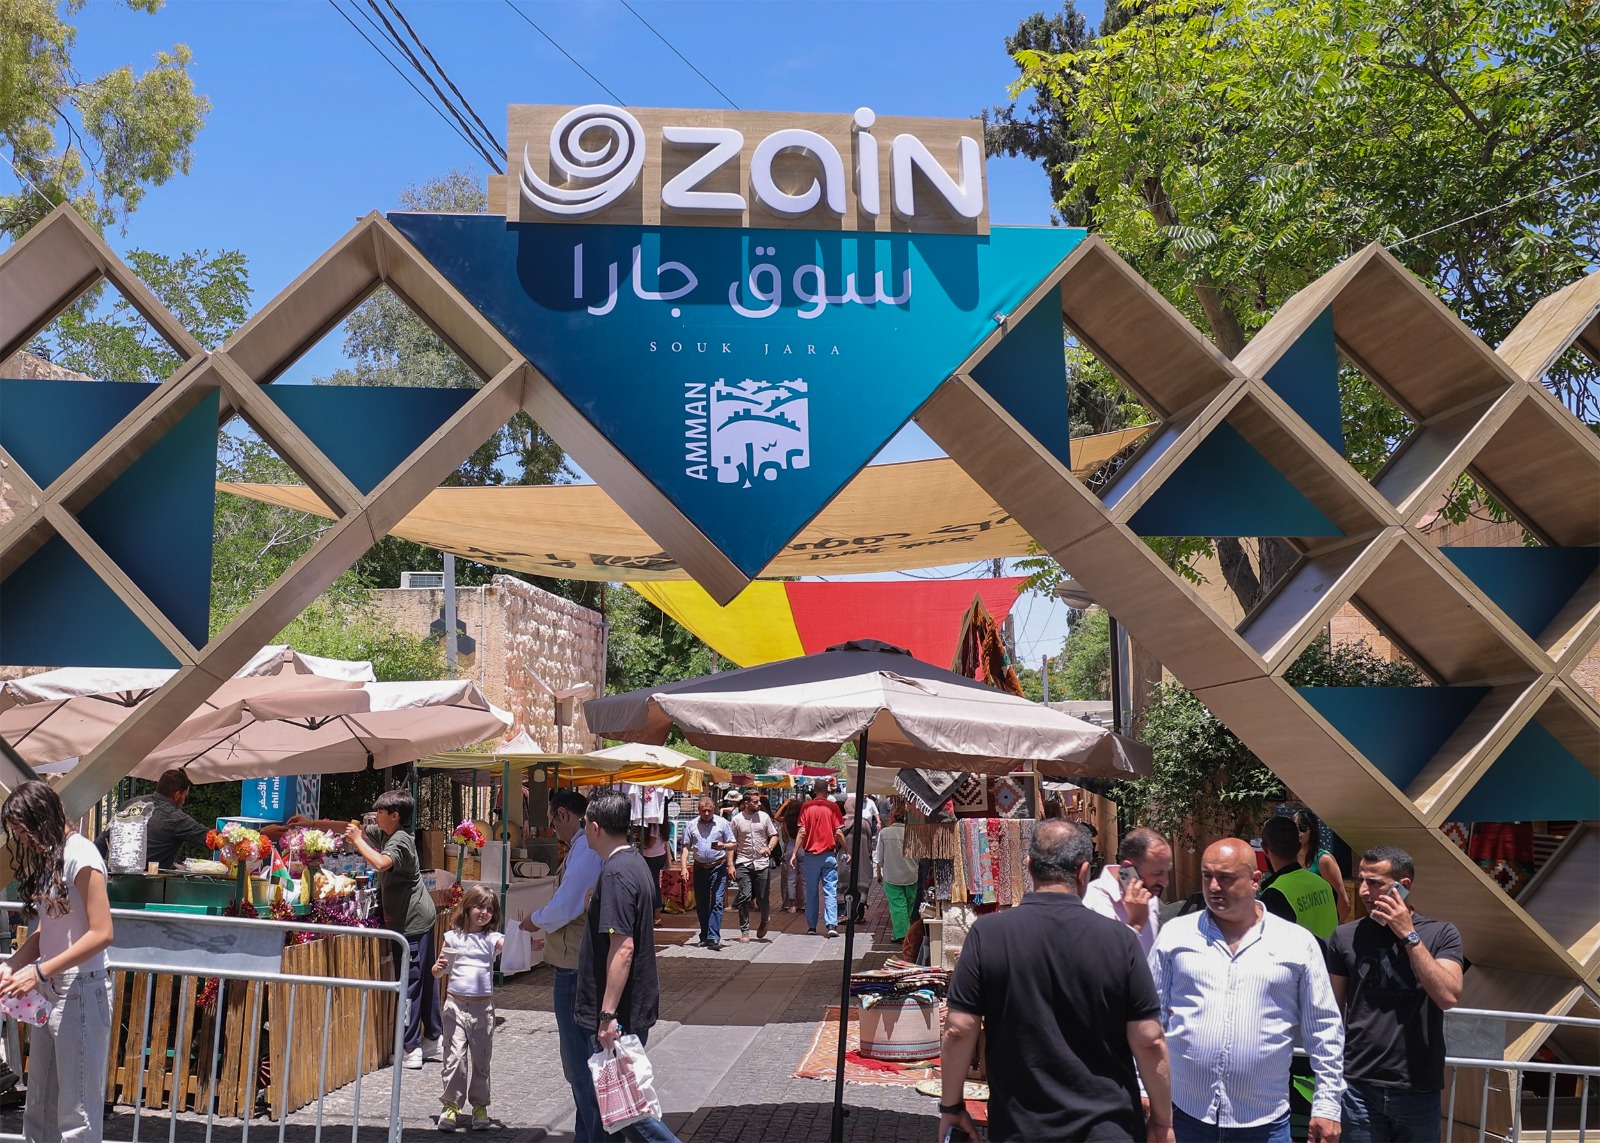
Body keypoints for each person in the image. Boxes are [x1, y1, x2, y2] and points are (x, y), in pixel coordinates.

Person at [940, 819, 1173, 1142]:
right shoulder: (1121, 940)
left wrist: (951, 1106)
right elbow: (1149, 1039)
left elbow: (958, 1030)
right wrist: (1162, 1120)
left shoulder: (988, 934)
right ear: (1083, 871)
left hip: (1020, 1128)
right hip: (1107, 1128)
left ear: (1028, 866)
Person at [1149, 838, 1344, 1143]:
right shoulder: (1176, 935)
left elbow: (1324, 1027)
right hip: (1187, 1117)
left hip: (1264, 1123)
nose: (1214, 886)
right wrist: (1143, 1087)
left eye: (1226, 877)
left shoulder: (1296, 943)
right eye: (1207, 876)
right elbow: (1149, 1019)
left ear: (1255, 880)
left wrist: (1328, 1104)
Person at [0, 780, 116, 1142]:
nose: (23, 840)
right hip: (54, 987)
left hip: (80, 987)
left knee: (76, 1111)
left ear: (41, 817)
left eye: (24, 830)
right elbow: (47, 929)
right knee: (40, 1105)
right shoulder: (54, 856)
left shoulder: (81, 855)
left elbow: (102, 933)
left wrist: (36, 972)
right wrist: (13, 964)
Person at [1326, 845, 1464, 1143]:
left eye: (1374, 882)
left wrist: (1408, 936)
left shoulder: (1441, 934)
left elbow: (1448, 996)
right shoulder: (1344, 936)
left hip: (1418, 1087)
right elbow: (1330, 1013)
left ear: (1403, 886)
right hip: (1359, 1086)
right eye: (1361, 880)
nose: (1363, 891)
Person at [573, 790, 681, 1143]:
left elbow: (623, 948)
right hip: (630, 1005)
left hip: (619, 1012)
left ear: (595, 827)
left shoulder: (618, 872)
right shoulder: (633, 863)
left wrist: (607, 1015)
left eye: (584, 823)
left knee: (623, 1109)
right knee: (614, 1113)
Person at [519, 789, 604, 1143]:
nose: (553, 830)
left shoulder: (585, 850)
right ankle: (587, 1134)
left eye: (553, 822)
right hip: (574, 962)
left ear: (564, 815)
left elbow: (567, 905)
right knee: (582, 1064)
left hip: (574, 968)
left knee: (579, 1064)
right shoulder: (585, 848)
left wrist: (535, 920)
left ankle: (593, 1136)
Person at [339, 790, 440, 1069]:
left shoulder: (400, 841)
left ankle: (410, 1048)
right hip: (417, 917)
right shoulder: (386, 833)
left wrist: (357, 840)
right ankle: (433, 1036)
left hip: (412, 922)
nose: (375, 817)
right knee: (424, 979)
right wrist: (310, 824)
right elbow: (351, 828)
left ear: (394, 816)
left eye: (380, 812)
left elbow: (381, 863)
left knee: (411, 983)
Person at [433, 884, 504, 1132]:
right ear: (467, 907)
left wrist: (528, 943)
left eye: (490, 909)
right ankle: (451, 1106)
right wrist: (438, 968)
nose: (484, 913)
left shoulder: (492, 939)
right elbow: (438, 971)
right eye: (479, 907)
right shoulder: (453, 937)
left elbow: (511, 945)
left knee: (481, 1060)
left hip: (483, 1009)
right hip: (455, 1005)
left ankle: (480, 1105)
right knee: (454, 1058)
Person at [95, 768, 211, 868]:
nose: (184, 801)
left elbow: (102, 840)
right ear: (177, 795)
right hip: (147, 883)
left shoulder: (131, 803)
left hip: (112, 877)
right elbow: (210, 838)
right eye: (184, 796)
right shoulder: (176, 818)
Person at [1085, 826, 1174, 956]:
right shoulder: (1091, 903)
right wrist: (1135, 924)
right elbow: (1101, 963)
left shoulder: (1149, 897)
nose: (1165, 882)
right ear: (1128, 868)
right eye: (1157, 873)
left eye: (1166, 872)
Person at [1256, 815, 1338, 939]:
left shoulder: (1273, 896)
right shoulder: (1325, 885)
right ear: (1299, 846)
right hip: (1329, 951)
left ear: (1264, 849)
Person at [788, 780, 844, 937]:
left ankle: (812, 926)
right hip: (829, 854)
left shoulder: (806, 807)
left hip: (811, 856)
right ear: (827, 791)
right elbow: (839, 832)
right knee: (830, 890)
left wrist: (794, 853)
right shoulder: (833, 807)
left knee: (811, 892)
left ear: (814, 790)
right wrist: (847, 850)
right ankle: (831, 924)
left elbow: (802, 832)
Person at [679, 796, 735, 950]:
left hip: (718, 866)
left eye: (709, 810)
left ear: (713, 809)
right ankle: (704, 935)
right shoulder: (691, 825)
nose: (706, 813)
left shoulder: (722, 823)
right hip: (699, 868)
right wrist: (684, 867)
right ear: (698, 810)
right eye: (703, 811)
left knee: (717, 901)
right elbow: (686, 847)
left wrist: (725, 851)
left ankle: (714, 936)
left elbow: (733, 844)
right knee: (702, 903)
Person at [729, 789, 779, 942]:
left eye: (759, 801)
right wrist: (730, 864)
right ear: (746, 803)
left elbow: (774, 835)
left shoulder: (764, 817)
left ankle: (764, 919)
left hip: (761, 863)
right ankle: (744, 930)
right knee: (744, 896)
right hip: (743, 862)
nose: (759, 804)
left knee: (763, 897)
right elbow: (731, 843)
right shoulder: (737, 820)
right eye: (755, 802)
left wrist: (769, 848)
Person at [873, 802, 919, 942]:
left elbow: (879, 857)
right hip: (911, 873)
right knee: (908, 904)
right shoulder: (914, 833)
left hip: (891, 874)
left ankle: (901, 934)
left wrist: (879, 872)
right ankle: (901, 932)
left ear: (892, 817)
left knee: (897, 905)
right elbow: (919, 855)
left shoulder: (885, 833)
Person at [1294, 808, 1351, 922]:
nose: (1298, 833)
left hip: (1322, 923)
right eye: (1293, 829)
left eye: (1302, 828)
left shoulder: (1324, 860)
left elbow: (1343, 901)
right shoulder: (1291, 858)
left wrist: (1334, 928)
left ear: (1312, 830)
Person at [837, 793, 873, 925]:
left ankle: (844, 914)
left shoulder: (840, 823)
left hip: (844, 860)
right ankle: (858, 913)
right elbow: (869, 843)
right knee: (860, 885)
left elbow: (836, 843)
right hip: (861, 860)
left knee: (844, 886)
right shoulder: (864, 823)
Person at [777, 794, 804, 913]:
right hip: (802, 848)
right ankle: (804, 904)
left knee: (791, 878)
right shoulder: (803, 821)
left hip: (790, 847)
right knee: (804, 878)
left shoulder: (785, 822)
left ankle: (792, 904)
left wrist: (784, 805)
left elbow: (776, 816)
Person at [639, 823, 670, 927]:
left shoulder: (653, 825)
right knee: (653, 885)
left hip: (652, 857)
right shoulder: (662, 824)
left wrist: (640, 841)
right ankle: (656, 916)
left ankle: (656, 916)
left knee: (652, 886)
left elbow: (650, 844)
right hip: (659, 856)